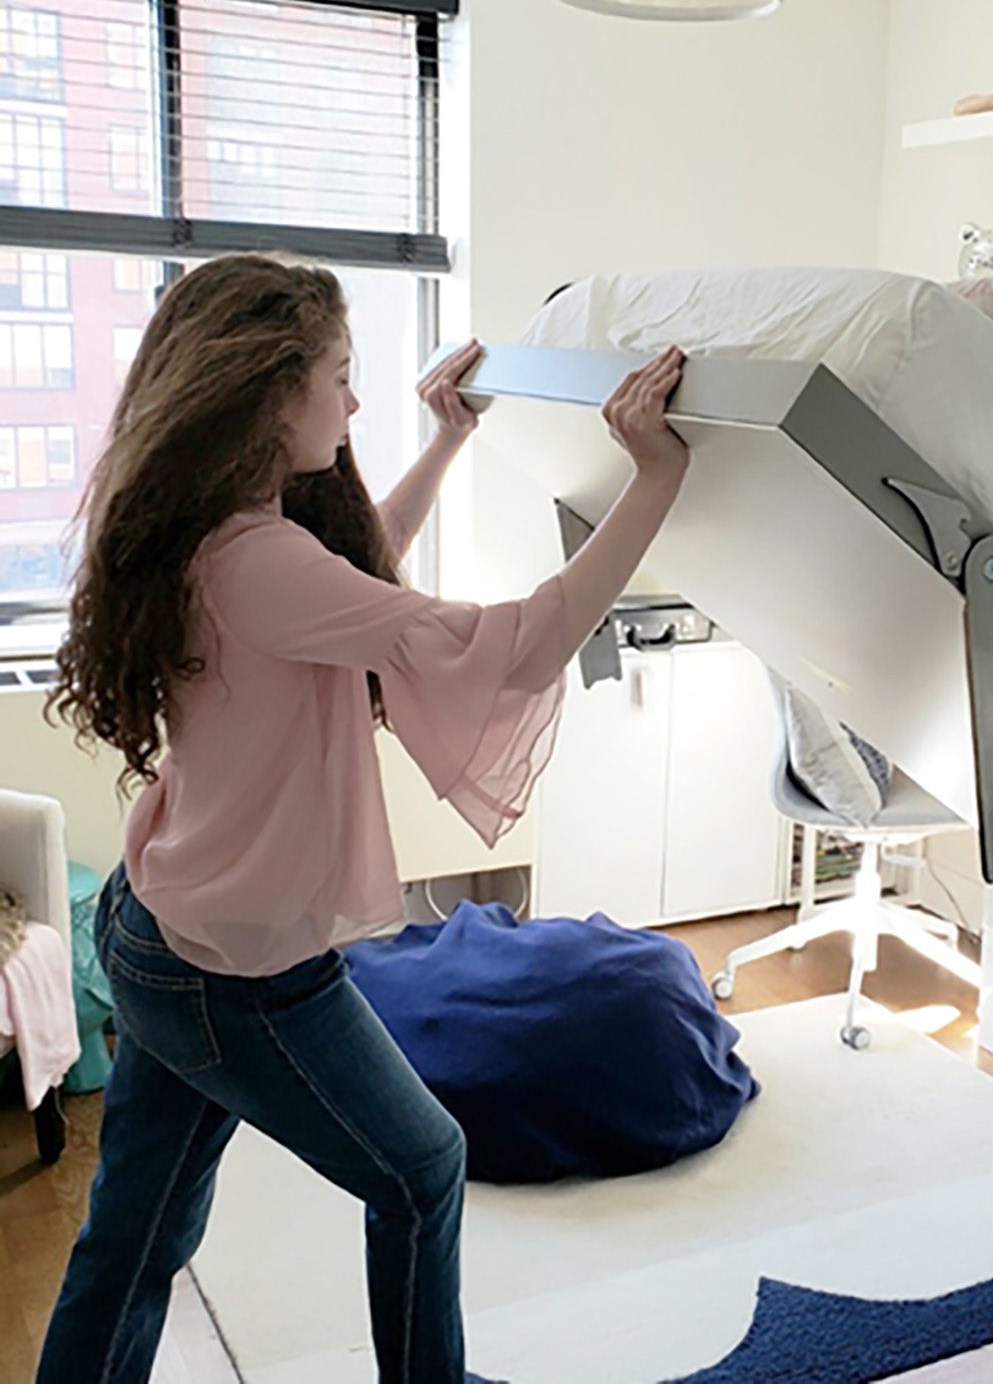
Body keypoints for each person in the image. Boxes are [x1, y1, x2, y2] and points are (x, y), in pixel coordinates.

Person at [37, 254, 689, 1383]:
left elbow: (347, 579)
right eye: (339, 377)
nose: (352, 402)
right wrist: (657, 483)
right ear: (265, 391)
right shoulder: (259, 561)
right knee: (424, 1168)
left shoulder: (222, 534)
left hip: (161, 928)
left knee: (136, 1239)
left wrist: (445, 444)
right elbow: (519, 645)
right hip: (234, 970)